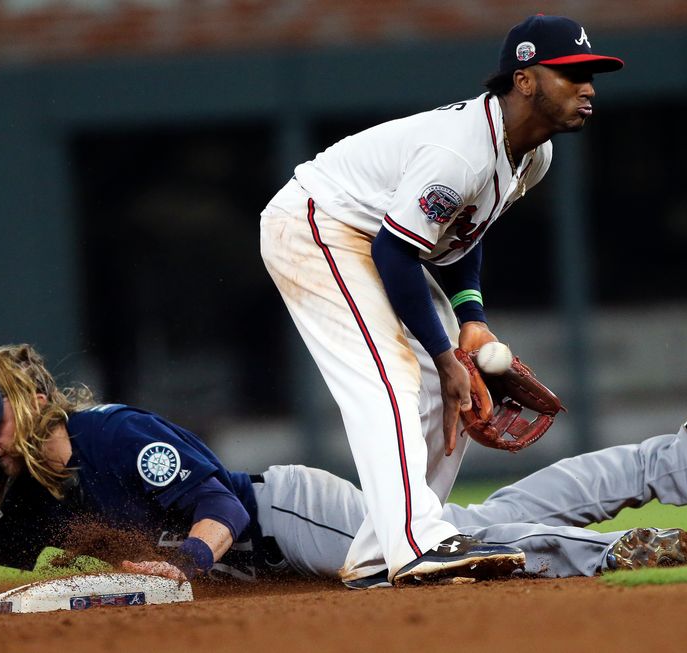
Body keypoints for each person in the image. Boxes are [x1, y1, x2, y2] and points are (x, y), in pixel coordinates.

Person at [0, 344, 687, 603]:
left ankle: (602, 554)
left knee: (432, 554)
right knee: (478, 520)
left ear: (1, 402)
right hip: (277, 545)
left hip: (286, 517)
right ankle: (669, 458)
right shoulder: (37, 499)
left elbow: (212, 503)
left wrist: (189, 569)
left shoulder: (116, 438)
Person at [259, 14, 625, 586]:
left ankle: (381, 553)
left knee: (445, 389)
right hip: (318, 223)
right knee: (394, 379)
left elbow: (458, 239)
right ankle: (416, 544)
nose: (588, 87)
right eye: (570, 73)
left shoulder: (534, 156)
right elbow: (395, 253)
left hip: (376, 238)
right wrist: (442, 352)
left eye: (591, 75)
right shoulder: (462, 152)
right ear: (524, 80)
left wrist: (471, 323)